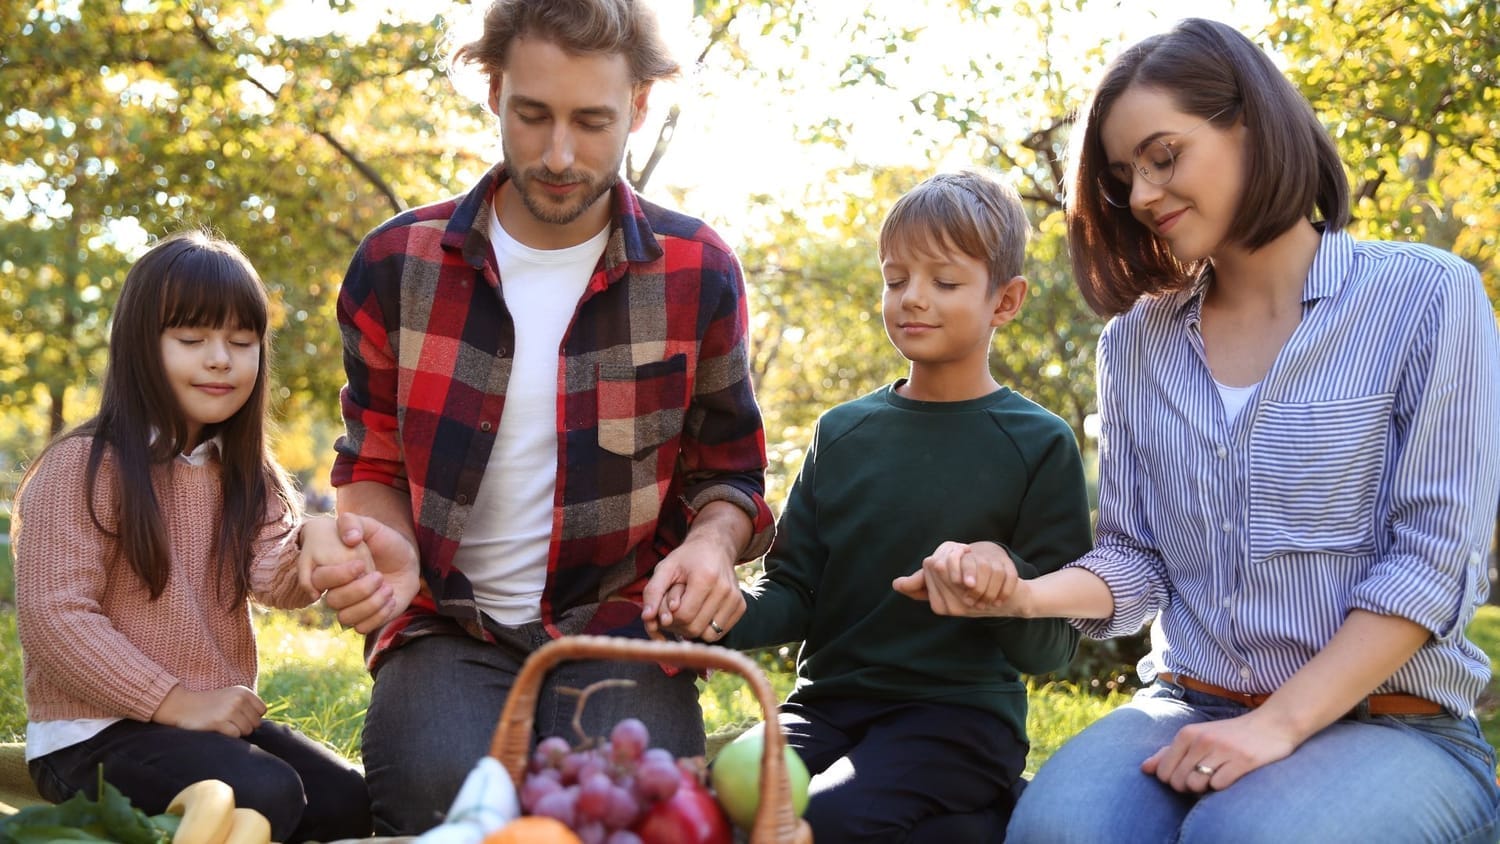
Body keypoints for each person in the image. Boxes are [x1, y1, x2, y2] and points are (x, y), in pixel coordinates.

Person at [895, 17, 1500, 843]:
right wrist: (1024, 591)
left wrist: (1276, 725)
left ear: (1250, 126)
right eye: (1122, 175)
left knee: (1247, 836)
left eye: (1162, 156)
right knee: (1057, 832)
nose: (1141, 193)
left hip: (1396, 722)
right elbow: (1136, 558)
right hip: (1187, 699)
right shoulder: (1136, 342)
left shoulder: (1429, 298)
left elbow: (1431, 564)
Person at [303, 0, 775, 833]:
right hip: (447, 622)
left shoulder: (699, 270)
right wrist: (384, 551)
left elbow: (727, 471)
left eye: (592, 121)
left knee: (634, 807)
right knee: (440, 798)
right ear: (492, 90)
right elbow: (370, 463)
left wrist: (710, 546)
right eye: (533, 115)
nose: (560, 155)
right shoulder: (392, 266)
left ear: (637, 106)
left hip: (624, 619)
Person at [718, 169, 1091, 843]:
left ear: (1005, 301)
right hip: (826, 708)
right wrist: (719, 611)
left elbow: (1052, 649)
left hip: (959, 722)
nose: (913, 300)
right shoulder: (844, 432)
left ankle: (981, 808)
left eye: (945, 283)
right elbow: (794, 590)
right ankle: (980, 823)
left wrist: (1003, 580)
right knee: (728, 802)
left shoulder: (1040, 444)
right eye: (896, 280)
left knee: (822, 818)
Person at [11, 230, 373, 843]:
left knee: (349, 802)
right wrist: (175, 701)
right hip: (93, 735)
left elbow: (275, 578)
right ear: (138, 347)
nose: (220, 360)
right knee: (267, 792)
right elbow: (55, 619)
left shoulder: (244, 475)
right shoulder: (81, 467)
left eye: (241, 342)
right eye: (191, 340)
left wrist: (314, 544)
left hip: (203, 723)